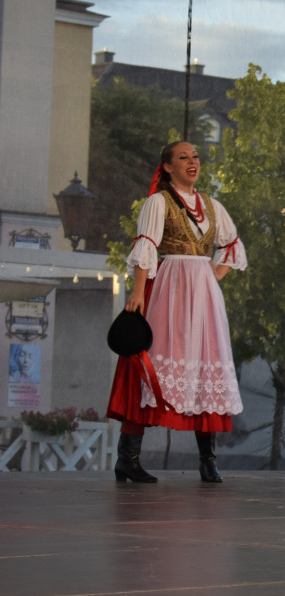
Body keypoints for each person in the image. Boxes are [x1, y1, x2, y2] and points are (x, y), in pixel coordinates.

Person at [106, 141, 247, 483]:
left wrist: (211, 277)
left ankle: (207, 461)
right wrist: (139, 291)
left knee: (204, 367)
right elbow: (147, 245)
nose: (192, 161)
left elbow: (231, 245)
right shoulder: (159, 202)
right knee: (150, 366)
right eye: (183, 157)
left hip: (203, 295)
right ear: (168, 167)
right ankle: (129, 458)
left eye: (195, 156)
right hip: (168, 288)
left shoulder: (212, 206)